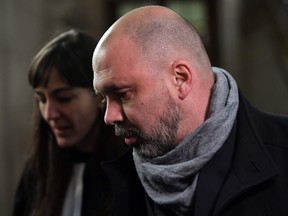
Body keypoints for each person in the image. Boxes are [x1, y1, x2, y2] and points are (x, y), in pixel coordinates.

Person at [92, 5, 288, 216]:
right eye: (104, 98)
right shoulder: (108, 182)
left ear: (180, 79)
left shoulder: (283, 152)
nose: (109, 117)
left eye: (123, 95)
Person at [13, 29, 126, 216]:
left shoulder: (128, 170)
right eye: (41, 99)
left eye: (64, 98)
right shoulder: (39, 168)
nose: (49, 114)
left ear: (99, 97)